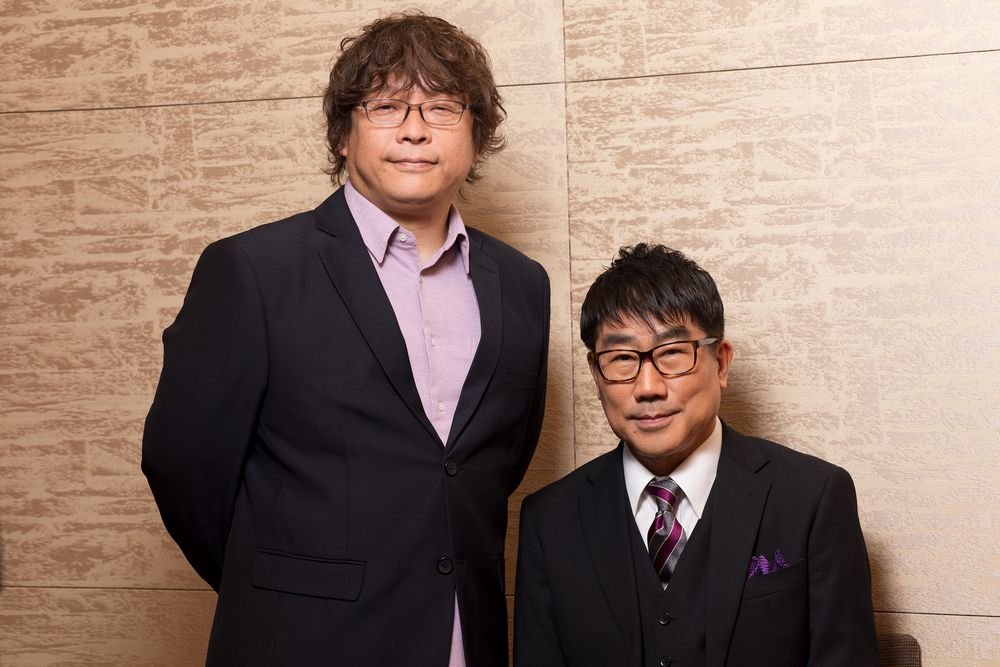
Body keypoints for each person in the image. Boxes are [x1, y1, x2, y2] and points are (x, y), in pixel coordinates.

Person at [142, 12, 549, 667]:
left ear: (476, 137)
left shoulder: (523, 285)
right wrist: (282, 584)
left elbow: (491, 467)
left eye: (443, 107)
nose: (415, 129)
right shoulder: (253, 271)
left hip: (464, 642)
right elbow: (184, 467)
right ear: (342, 134)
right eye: (386, 106)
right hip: (300, 642)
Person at [513, 244, 877, 666]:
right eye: (622, 359)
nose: (648, 387)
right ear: (596, 374)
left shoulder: (813, 498)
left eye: (672, 353)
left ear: (720, 364)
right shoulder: (549, 520)